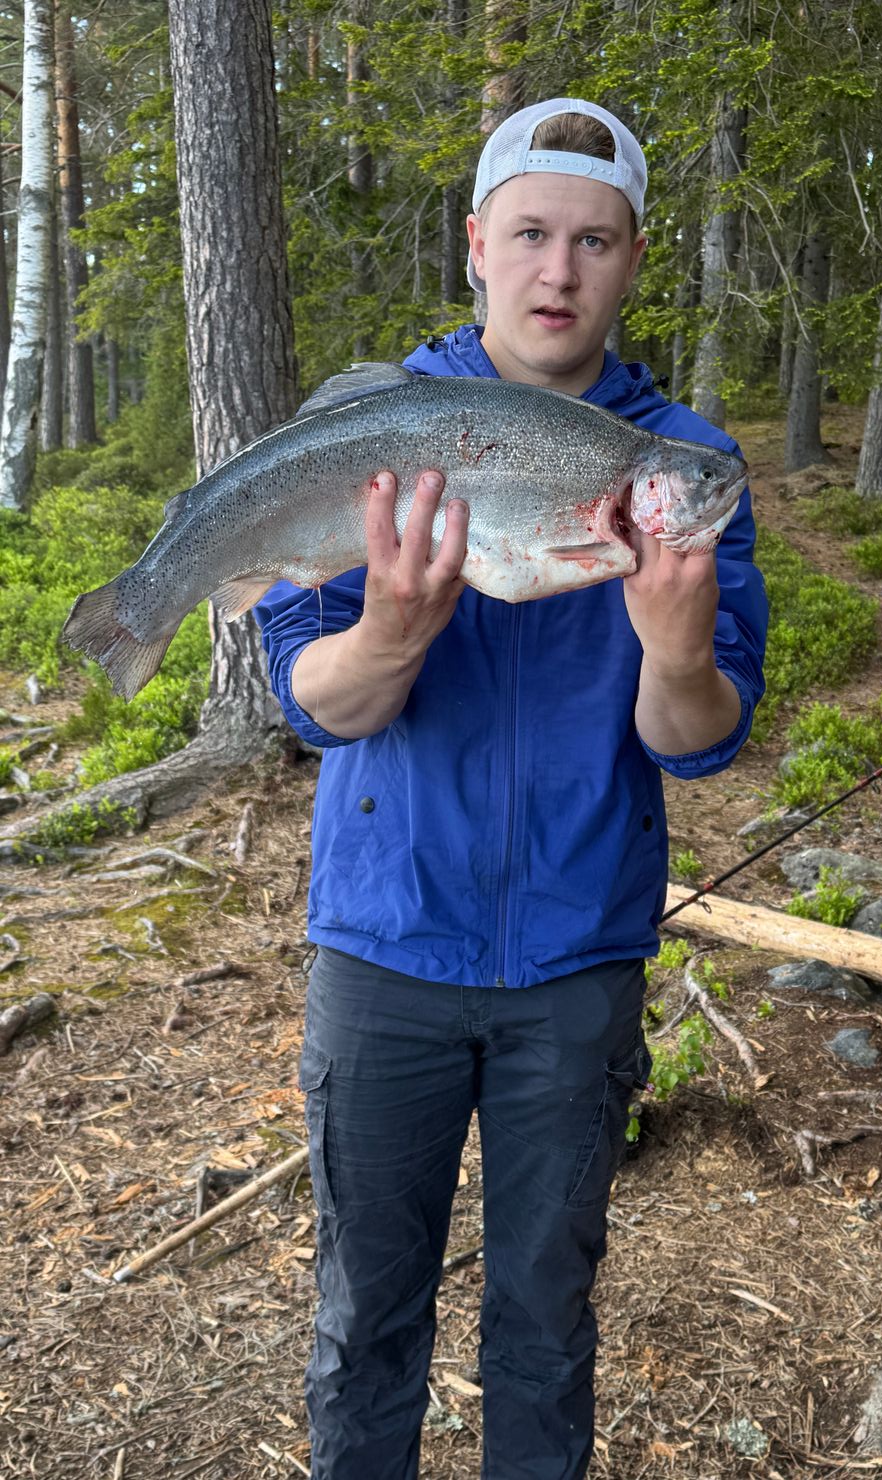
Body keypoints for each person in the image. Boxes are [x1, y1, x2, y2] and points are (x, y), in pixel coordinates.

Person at [257, 97, 768, 1480]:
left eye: (594, 241)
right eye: (532, 234)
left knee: (545, 1320)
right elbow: (317, 706)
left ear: (634, 259)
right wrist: (392, 633)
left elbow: (698, 738)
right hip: (385, 949)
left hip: (577, 960)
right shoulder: (386, 429)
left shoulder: (681, 465)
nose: (560, 271)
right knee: (366, 1317)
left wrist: (677, 652)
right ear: (477, 244)